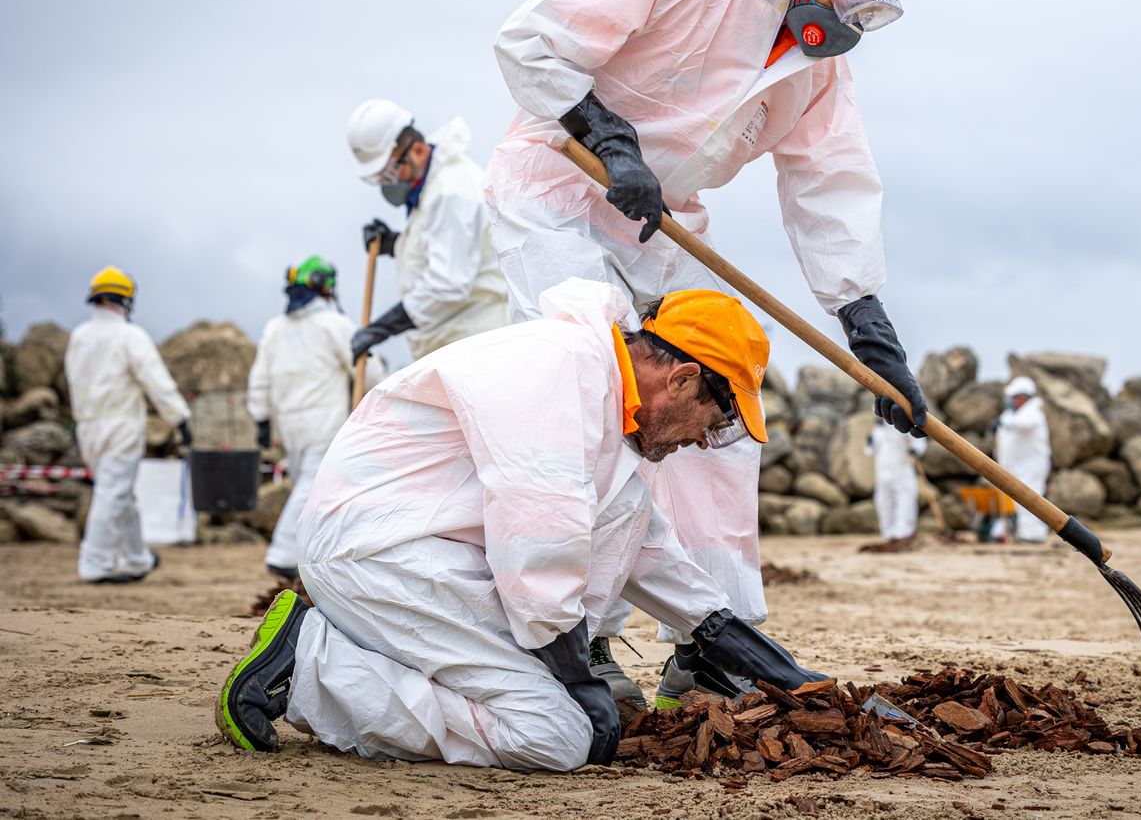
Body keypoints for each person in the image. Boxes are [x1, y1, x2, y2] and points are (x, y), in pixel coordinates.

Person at [485, 0, 929, 700]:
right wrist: (609, 140)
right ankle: (585, 634)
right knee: (604, 391)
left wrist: (872, 337)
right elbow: (529, 42)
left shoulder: (814, 77)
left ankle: (717, 634)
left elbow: (831, 187)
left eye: (881, 11)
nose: (860, 20)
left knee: (726, 400)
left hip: (662, 222)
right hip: (557, 186)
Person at [214, 277, 825, 771]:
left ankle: (344, 653)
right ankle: (311, 669)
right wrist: (579, 683)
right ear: (684, 378)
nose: (704, 440)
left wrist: (784, 674)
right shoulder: (561, 373)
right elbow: (538, 548)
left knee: (561, 691)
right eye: (716, 420)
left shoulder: (607, 405)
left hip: (419, 550)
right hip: (381, 551)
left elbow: (646, 549)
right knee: (554, 735)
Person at [345, 99, 508, 362]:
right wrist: (395, 244)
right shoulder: (434, 187)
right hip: (454, 342)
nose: (389, 183)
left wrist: (382, 328)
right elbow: (441, 249)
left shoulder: (451, 193)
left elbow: (447, 283)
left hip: (473, 343)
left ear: (418, 151)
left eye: (388, 174)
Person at [63, 266, 191, 584]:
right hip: (120, 425)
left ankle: (136, 558)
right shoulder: (129, 336)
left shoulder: (78, 337)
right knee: (112, 493)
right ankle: (94, 563)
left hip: (87, 426)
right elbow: (156, 381)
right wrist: (179, 417)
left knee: (121, 494)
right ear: (126, 299)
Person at [245, 256, 358, 580]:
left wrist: (261, 418)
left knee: (304, 487)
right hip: (325, 419)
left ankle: (305, 554)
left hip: (290, 424)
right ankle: (284, 554)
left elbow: (260, 378)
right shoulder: (336, 324)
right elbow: (367, 366)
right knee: (311, 487)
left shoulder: (274, 329)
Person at [994, 377, 1052, 543]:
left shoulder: (1033, 411)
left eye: (1013, 397)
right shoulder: (1011, 414)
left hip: (1031, 466)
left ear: (1022, 397)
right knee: (1014, 501)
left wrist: (1004, 421)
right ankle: (1010, 532)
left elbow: (1024, 424)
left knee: (1031, 499)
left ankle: (1032, 534)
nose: (1010, 401)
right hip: (1015, 466)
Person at [868, 417, 927, 549]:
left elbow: (919, 443)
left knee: (905, 501)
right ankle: (888, 535)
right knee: (883, 502)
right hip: (882, 473)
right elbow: (870, 449)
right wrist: (870, 442)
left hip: (902, 470)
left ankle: (903, 534)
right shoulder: (878, 429)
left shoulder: (904, 425)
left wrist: (915, 449)